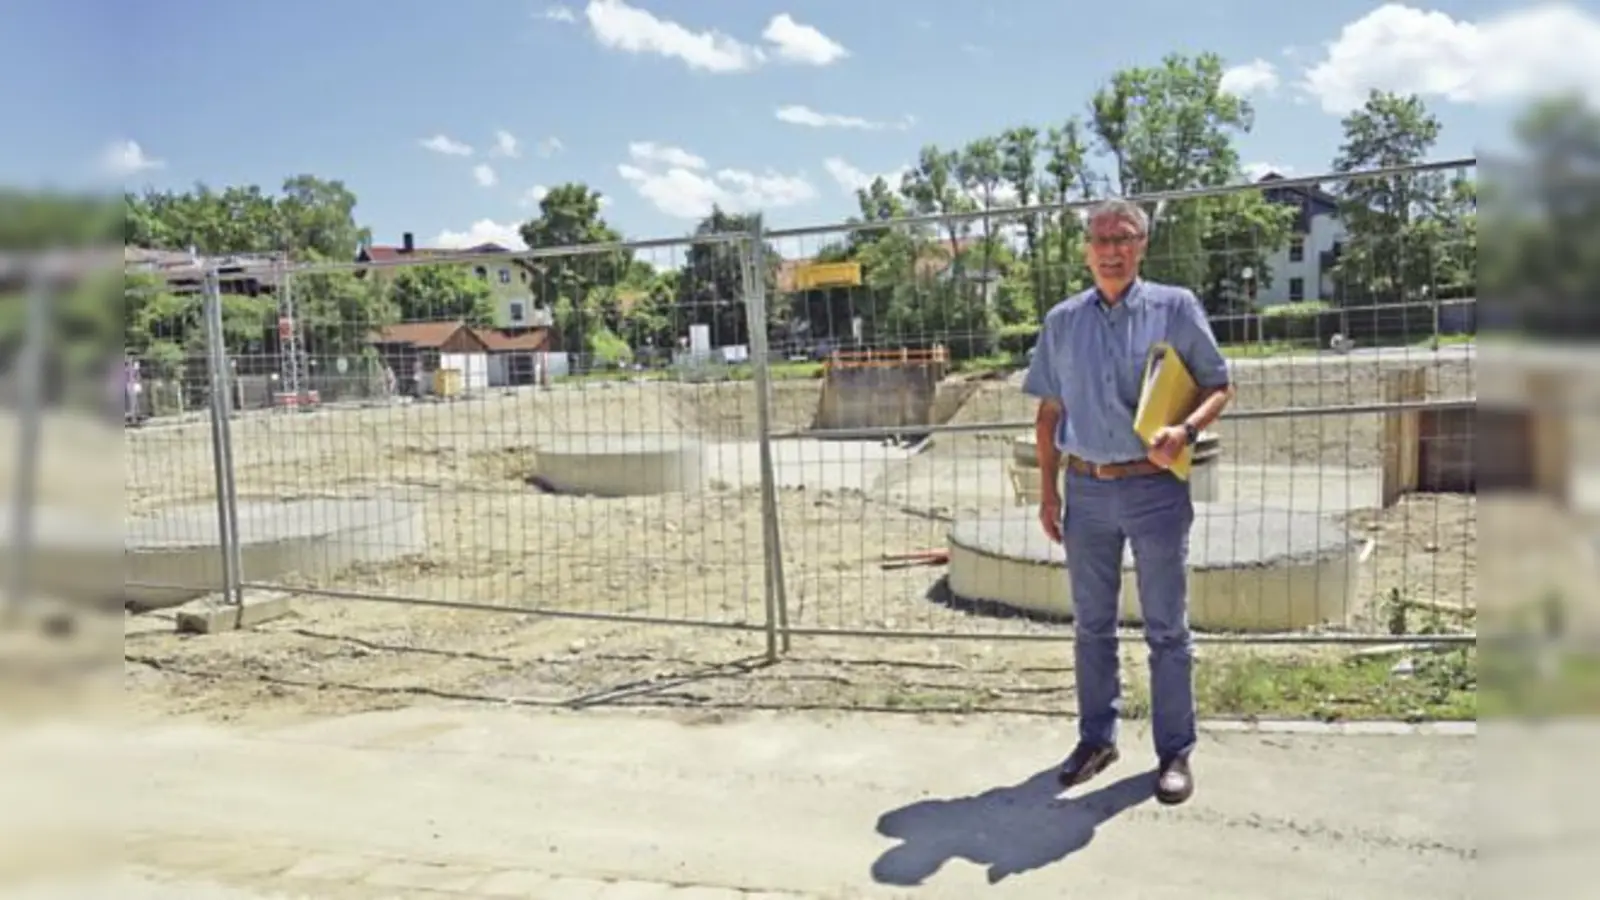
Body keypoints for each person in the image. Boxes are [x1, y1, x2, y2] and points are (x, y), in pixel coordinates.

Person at [1021, 198, 1234, 806]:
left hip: (1154, 489)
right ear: (1086, 250)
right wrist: (1048, 492)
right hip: (1086, 490)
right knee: (1091, 625)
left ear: (1142, 245)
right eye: (1101, 240)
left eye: (1124, 238)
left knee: (1166, 627)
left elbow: (1219, 384)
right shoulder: (1062, 322)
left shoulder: (1176, 308)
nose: (1111, 250)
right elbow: (1048, 413)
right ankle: (1097, 740)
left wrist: (1185, 432)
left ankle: (1175, 752)